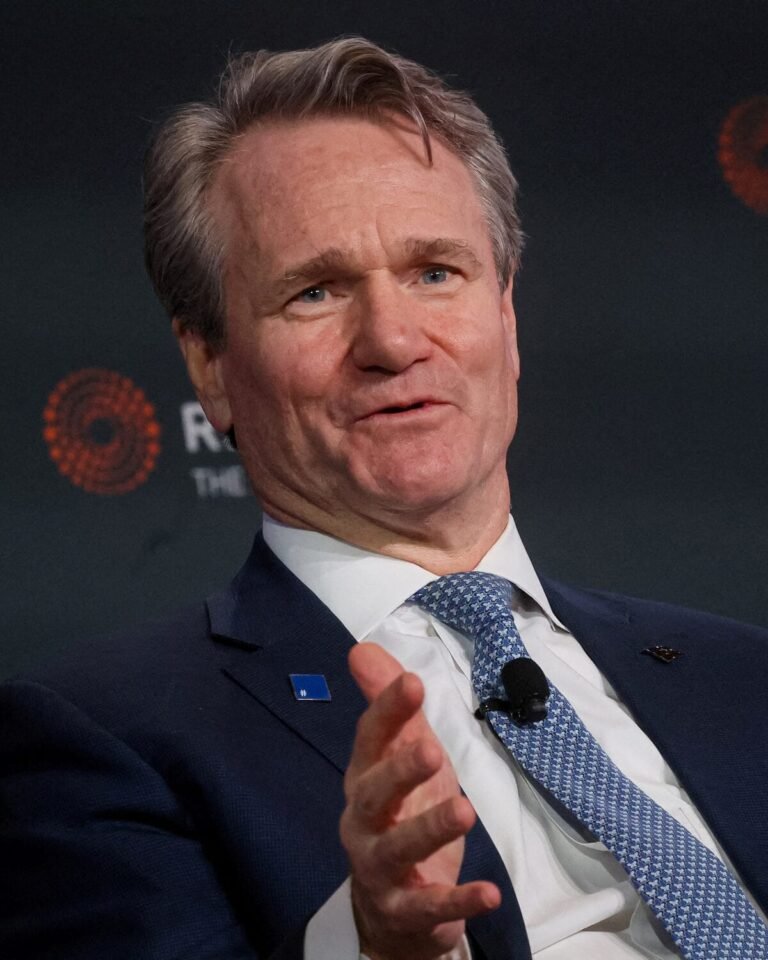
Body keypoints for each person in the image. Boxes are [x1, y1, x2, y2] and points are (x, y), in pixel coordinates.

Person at [1, 36, 767, 960]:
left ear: (505, 316)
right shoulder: (106, 734)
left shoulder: (743, 675)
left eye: (435, 272)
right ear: (209, 365)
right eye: (316, 292)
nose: (394, 342)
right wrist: (369, 946)